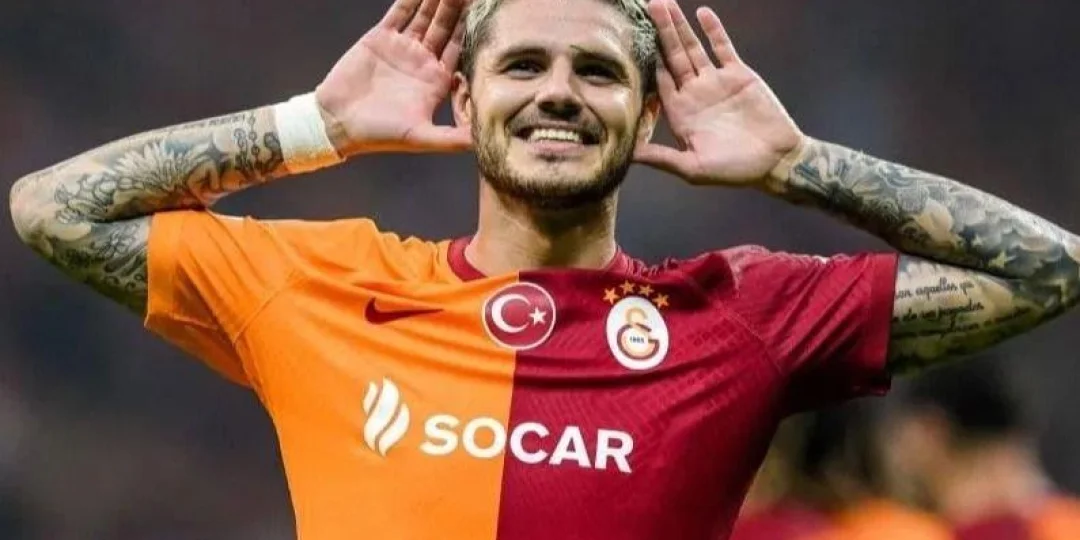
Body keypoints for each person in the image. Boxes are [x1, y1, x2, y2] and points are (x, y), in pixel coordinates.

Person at [8, 0, 1080, 537]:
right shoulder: (321, 283)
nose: (558, 91)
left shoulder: (736, 313)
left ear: (647, 115)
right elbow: (54, 209)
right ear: (464, 98)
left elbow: (1045, 272)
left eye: (597, 72)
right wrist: (312, 127)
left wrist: (799, 166)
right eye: (522, 63)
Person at [884, 359, 1080, 540]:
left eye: (899, 437)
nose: (894, 456)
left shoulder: (902, 531)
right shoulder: (1065, 521)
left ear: (928, 430)